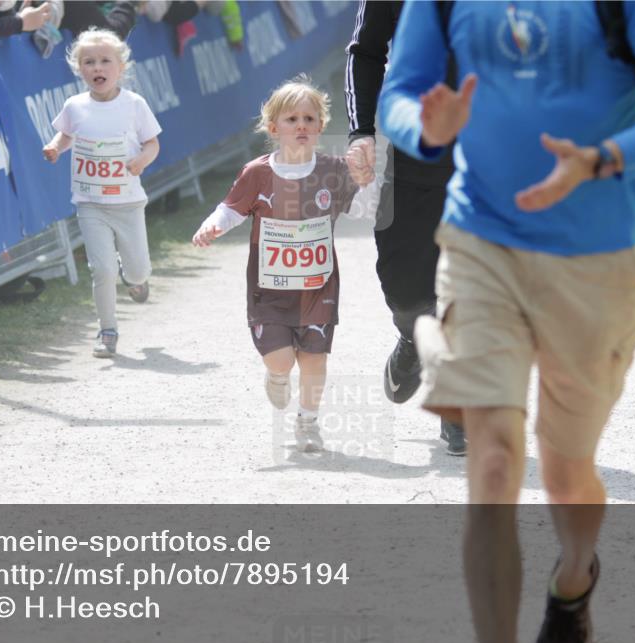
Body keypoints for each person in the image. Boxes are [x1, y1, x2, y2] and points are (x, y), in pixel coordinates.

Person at [378, 2, 635, 643]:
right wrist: (422, 128)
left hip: (597, 258)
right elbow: (400, 89)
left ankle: (574, 581)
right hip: (481, 242)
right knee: (493, 460)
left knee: (565, 473)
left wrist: (601, 159)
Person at [191, 75, 370, 451]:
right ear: (274, 128)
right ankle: (276, 376)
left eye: (309, 118)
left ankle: (308, 422)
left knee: (314, 359)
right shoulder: (257, 172)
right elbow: (231, 209)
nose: (301, 126)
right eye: (292, 120)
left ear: (321, 126)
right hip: (269, 289)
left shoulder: (333, 171)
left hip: (318, 287)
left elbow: (361, 208)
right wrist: (212, 226)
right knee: (281, 360)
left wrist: (364, 181)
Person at [344, 0, 465, 456]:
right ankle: (414, 331)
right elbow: (366, 50)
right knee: (406, 284)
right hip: (416, 150)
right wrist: (361, 131)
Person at [42, 27, 161, 358]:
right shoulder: (75, 105)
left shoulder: (134, 104)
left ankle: (134, 277)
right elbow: (66, 134)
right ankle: (107, 330)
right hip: (90, 202)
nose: (97, 68)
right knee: (102, 269)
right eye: (88, 62)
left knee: (137, 270)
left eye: (105, 61)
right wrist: (54, 147)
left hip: (127, 202)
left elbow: (152, 142)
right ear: (79, 69)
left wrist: (141, 160)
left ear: (120, 67)